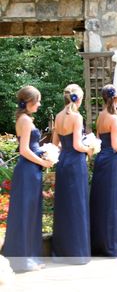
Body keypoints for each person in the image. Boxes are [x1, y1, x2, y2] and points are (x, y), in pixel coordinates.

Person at [2, 86, 54, 272]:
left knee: (31, 213)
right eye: (38, 101)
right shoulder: (24, 120)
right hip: (27, 171)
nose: (39, 105)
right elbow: (24, 150)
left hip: (32, 170)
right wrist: (43, 161)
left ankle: (29, 257)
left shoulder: (26, 119)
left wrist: (45, 154)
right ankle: (21, 261)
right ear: (30, 102)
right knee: (24, 214)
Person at [51, 84, 93, 264]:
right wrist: (90, 149)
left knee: (63, 205)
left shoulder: (58, 117)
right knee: (77, 205)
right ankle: (77, 252)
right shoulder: (76, 117)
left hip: (62, 163)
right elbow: (77, 145)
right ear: (79, 98)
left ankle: (61, 252)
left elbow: (55, 144)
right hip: (75, 163)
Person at [90, 85, 117, 257]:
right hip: (113, 161)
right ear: (115, 99)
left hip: (102, 159)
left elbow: (100, 140)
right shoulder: (115, 119)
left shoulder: (101, 116)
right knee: (113, 201)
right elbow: (116, 145)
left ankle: (99, 242)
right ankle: (112, 244)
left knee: (102, 201)